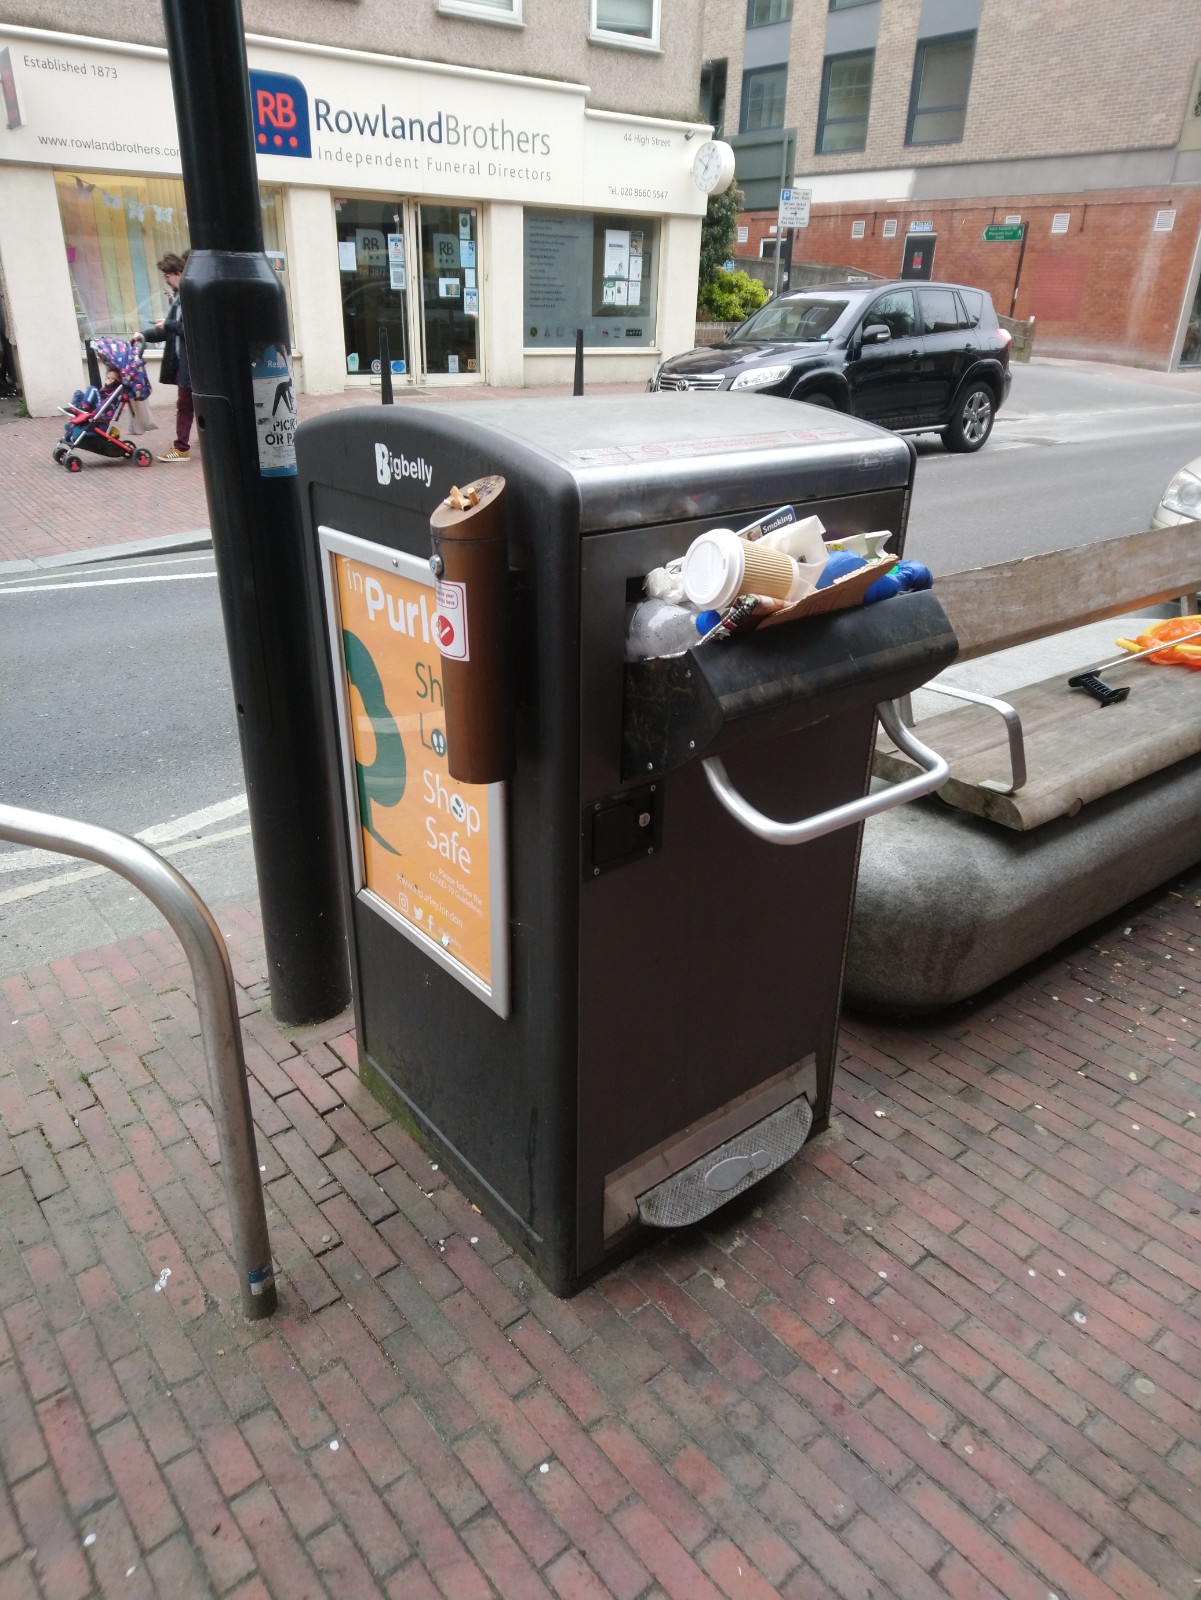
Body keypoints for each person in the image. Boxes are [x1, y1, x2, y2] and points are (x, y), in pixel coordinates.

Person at [142, 252, 192, 462]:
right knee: (188, 404)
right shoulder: (179, 299)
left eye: (167, 276)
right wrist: (143, 335)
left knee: (186, 404)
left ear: (178, 274)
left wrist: (168, 324)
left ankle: (181, 448)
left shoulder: (190, 298)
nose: (166, 281)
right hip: (184, 362)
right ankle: (185, 444)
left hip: (193, 363)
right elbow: (169, 329)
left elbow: (191, 329)